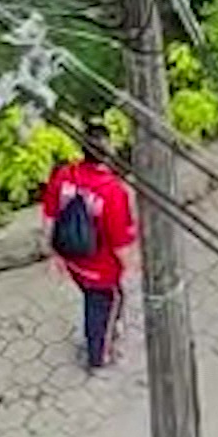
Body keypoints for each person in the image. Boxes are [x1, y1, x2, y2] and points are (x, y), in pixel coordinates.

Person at [42, 125, 139, 371]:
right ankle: (100, 355)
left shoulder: (64, 176)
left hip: (74, 261)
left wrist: (55, 255)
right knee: (106, 305)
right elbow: (120, 244)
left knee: (93, 301)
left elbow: (49, 218)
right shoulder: (113, 192)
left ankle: (101, 334)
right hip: (101, 269)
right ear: (108, 153)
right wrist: (134, 267)